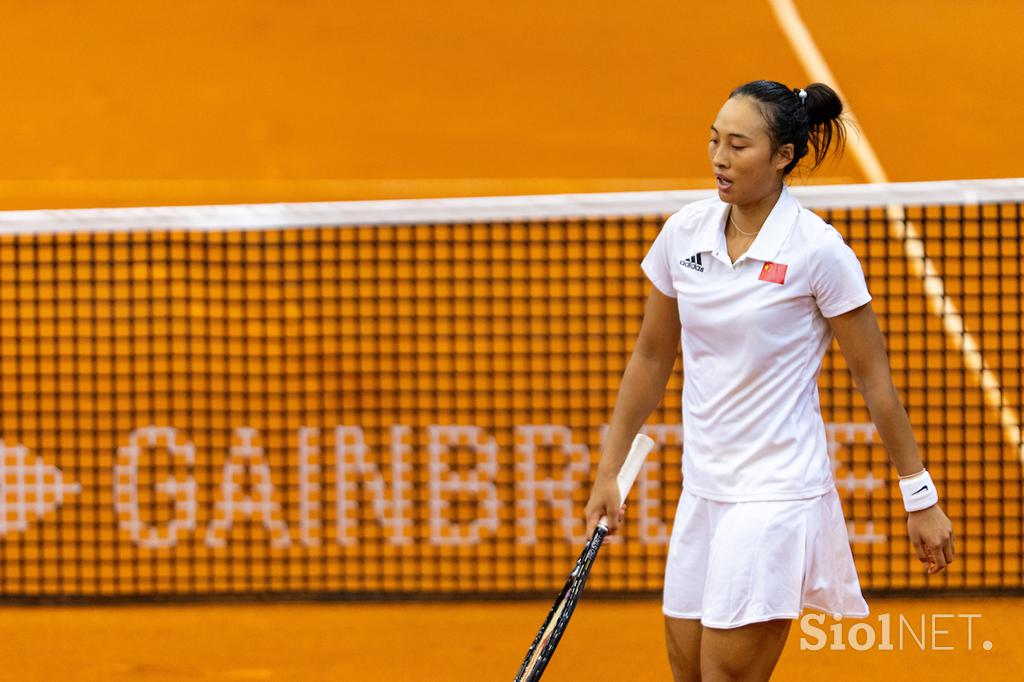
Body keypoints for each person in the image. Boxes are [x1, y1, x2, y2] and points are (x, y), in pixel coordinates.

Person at [584, 80, 955, 681]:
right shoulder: (684, 234)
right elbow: (652, 357)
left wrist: (920, 497)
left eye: (738, 145)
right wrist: (609, 470)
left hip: (777, 494)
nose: (719, 159)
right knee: (688, 674)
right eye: (713, 141)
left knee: (725, 677)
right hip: (704, 491)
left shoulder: (819, 252)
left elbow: (874, 377)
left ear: (783, 155)